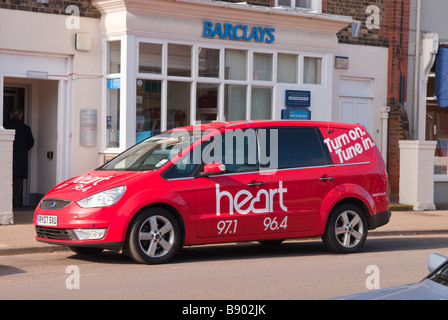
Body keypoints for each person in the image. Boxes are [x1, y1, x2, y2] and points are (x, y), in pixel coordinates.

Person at [4, 108, 34, 207]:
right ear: (21, 117)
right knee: (18, 186)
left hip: (5, 160)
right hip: (21, 161)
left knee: (5, 184)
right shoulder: (26, 128)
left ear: (10, 116)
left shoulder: (5, 127)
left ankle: (6, 205)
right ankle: (17, 206)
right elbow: (31, 143)